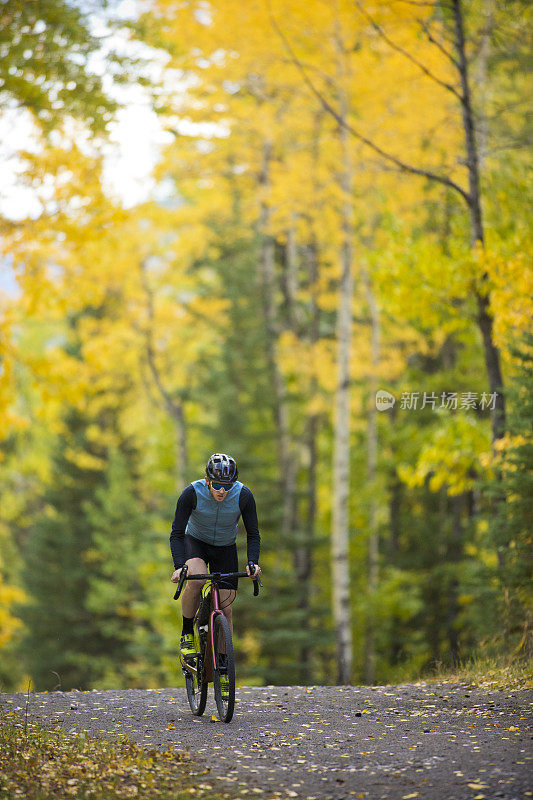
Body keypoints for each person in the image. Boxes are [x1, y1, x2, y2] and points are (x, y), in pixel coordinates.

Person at [170, 453, 261, 665]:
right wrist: (178, 566)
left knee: (226, 608)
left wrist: (252, 562)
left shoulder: (244, 496)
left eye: (227, 486)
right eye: (217, 485)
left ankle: (223, 665)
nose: (222, 491)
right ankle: (187, 634)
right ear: (207, 480)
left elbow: (253, 534)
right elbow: (176, 533)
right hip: (195, 543)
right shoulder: (191, 493)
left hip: (225, 547)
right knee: (196, 579)